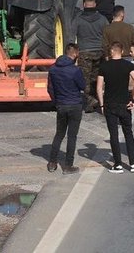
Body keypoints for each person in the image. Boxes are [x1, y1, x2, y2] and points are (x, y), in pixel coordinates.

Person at [98, 42, 134, 172]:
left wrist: (101, 104)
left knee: (114, 135)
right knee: (128, 133)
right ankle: (133, 164)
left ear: (111, 52)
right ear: (121, 52)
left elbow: (99, 88)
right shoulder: (128, 65)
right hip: (125, 103)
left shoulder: (104, 66)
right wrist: (133, 99)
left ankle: (118, 164)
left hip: (110, 104)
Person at [47, 44, 86, 174]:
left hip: (61, 105)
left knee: (59, 134)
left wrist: (56, 101)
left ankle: (52, 162)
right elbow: (82, 86)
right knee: (72, 136)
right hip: (75, 104)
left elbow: (50, 88)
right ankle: (68, 166)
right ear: (74, 54)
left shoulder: (53, 69)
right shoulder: (75, 70)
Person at [74, 0, 108, 112]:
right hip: (99, 52)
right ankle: (96, 100)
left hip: (84, 52)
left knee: (84, 79)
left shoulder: (78, 19)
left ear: (84, 5)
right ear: (95, 5)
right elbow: (107, 36)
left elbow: (72, 35)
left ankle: (89, 101)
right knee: (96, 78)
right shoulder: (103, 19)